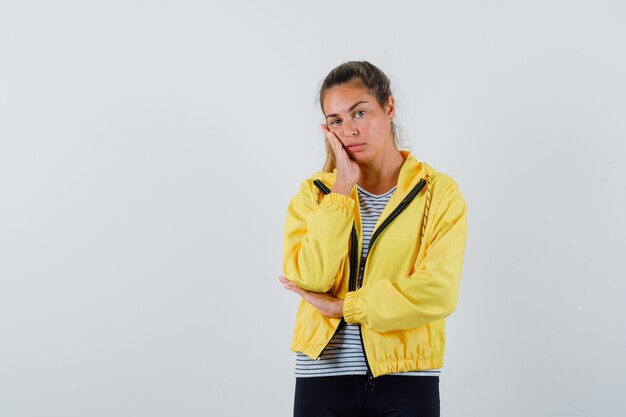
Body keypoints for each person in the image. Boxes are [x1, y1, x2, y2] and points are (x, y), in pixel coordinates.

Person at [278, 61, 468, 417]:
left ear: (389, 107)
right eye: (336, 120)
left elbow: (438, 291)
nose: (349, 130)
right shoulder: (316, 194)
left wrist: (345, 307)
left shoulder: (438, 193)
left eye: (359, 113)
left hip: (407, 378)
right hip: (322, 377)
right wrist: (342, 188)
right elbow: (309, 279)